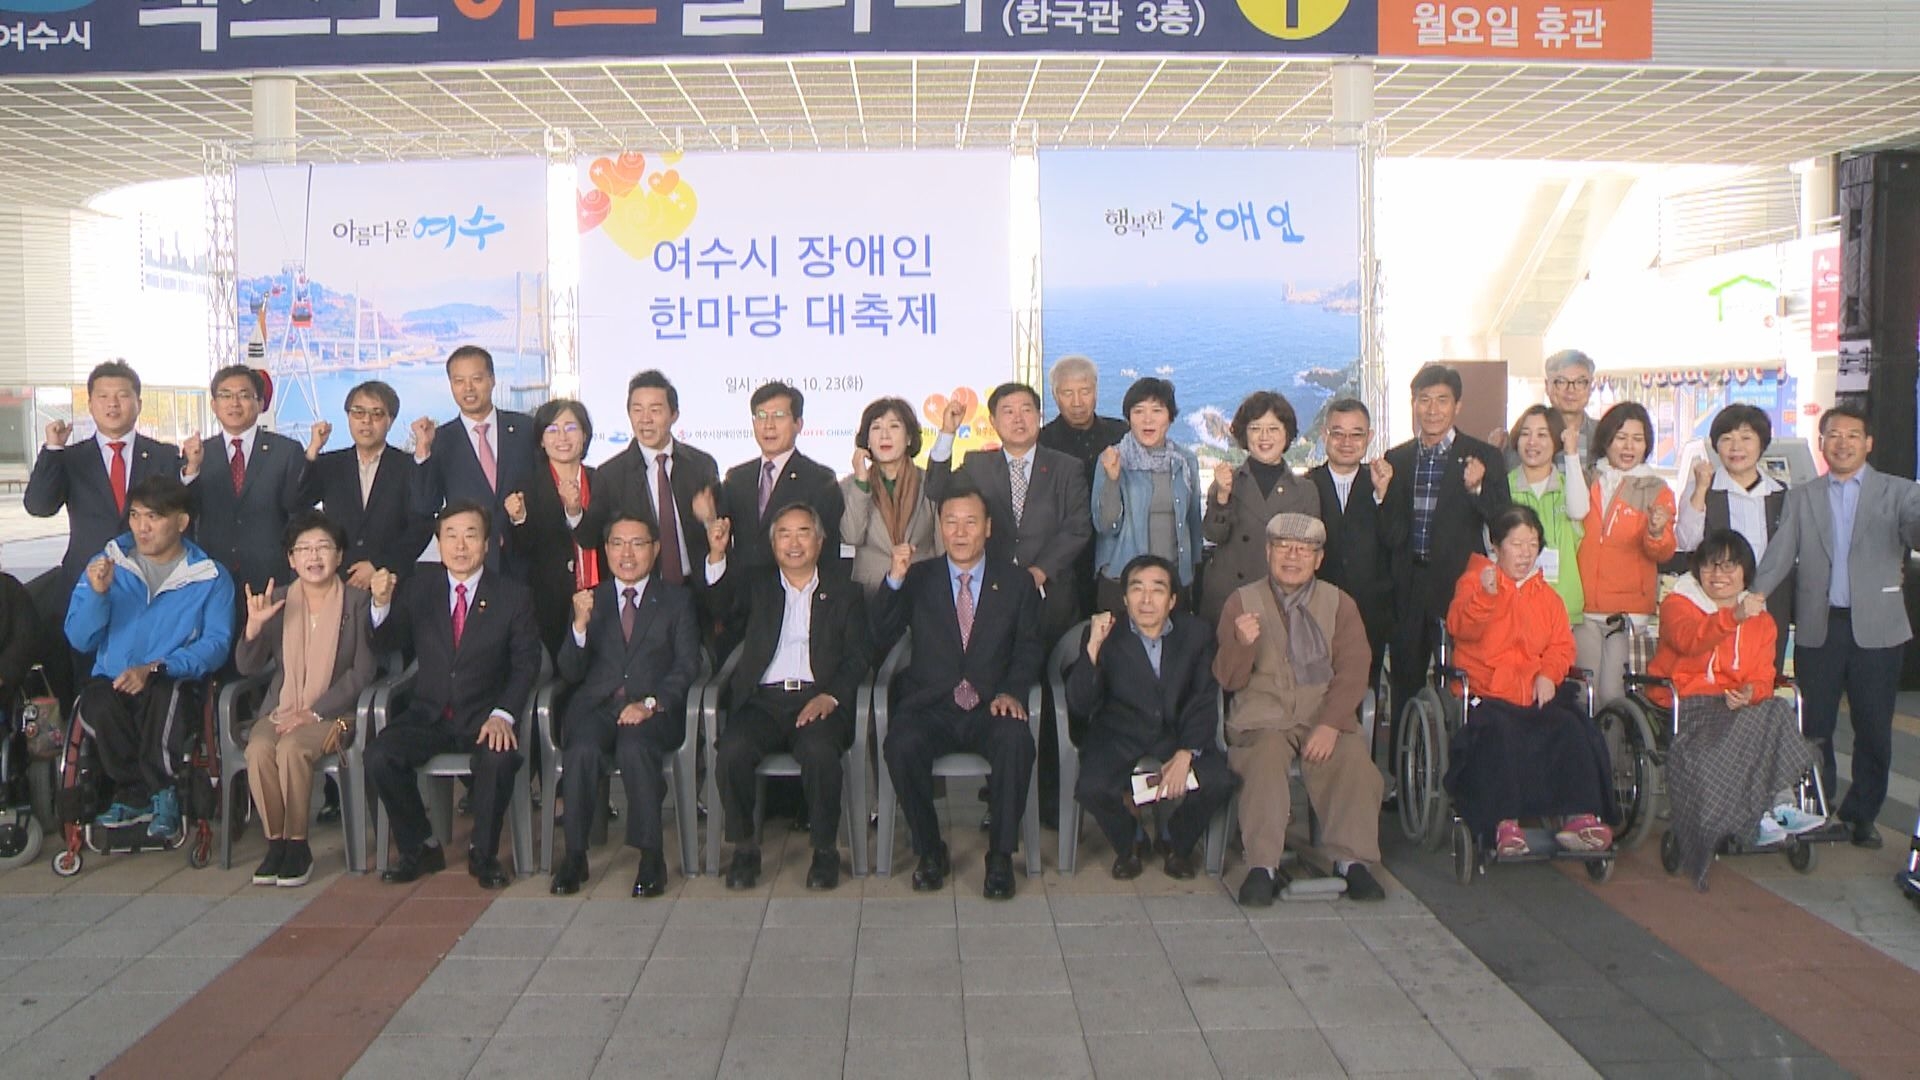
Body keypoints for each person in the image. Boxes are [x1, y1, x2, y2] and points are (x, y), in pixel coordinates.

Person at [1754, 405, 1920, 849]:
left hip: (1879, 630)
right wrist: (1753, 594)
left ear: (1868, 443)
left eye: (1852, 435)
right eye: (1833, 435)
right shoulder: (1803, 495)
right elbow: (1780, 551)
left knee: (1873, 727)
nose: (1842, 442)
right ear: (1822, 442)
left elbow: (1915, 530)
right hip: (1818, 625)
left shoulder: (1899, 492)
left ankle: (1862, 814)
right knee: (1815, 723)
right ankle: (1816, 808)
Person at [874, 486, 1043, 900]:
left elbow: (1029, 647)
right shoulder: (919, 577)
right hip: (932, 704)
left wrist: (1013, 692)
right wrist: (893, 579)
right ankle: (930, 850)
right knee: (900, 744)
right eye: (951, 522)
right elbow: (879, 635)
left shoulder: (1017, 581)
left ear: (988, 528)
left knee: (1015, 740)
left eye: (970, 522)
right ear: (940, 528)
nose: (960, 532)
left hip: (990, 702)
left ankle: (1000, 857)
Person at [366, 501, 541, 889]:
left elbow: (527, 664)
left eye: (470, 535)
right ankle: (420, 845)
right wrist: (380, 604)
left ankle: (484, 853)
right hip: (429, 713)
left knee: (497, 758)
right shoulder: (420, 588)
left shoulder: (513, 596)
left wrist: (504, 713)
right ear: (439, 543)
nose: (460, 546)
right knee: (379, 755)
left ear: (488, 543)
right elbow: (388, 642)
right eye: (451, 536)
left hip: (484, 714)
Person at [1213, 513, 1385, 906]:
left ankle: (1351, 860)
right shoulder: (1241, 602)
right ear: (1267, 552)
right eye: (1283, 548)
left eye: (1304, 550)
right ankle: (1262, 865)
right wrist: (1240, 644)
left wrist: (1330, 724)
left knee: (1352, 759)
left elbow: (1355, 670)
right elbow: (1227, 679)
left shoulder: (1340, 604)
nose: (1292, 557)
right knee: (1265, 759)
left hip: (1321, 712)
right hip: (1262, 717)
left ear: (1318, 558)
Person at [705, 504, 870, 891]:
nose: (793, 543)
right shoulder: (756, 586)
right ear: (772, 542)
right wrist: (716, 555)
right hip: (763, 700)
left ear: (819, 539)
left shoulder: (845, 592)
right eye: (784, 534)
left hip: (818, 698)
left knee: (819, 754)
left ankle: (825, 851)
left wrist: (832, 696)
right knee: (732, 751)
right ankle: (745, 848)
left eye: (802, 533)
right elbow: (720, 610)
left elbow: (859, 654)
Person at [64, 476, 235, 842]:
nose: (142, 527)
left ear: (181, 522)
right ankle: (139, 792)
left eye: (154, 517)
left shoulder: (209, 576)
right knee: (95, 702)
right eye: (136, 515)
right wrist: (97, 595)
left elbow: (217, 644)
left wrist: (157, 666)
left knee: (165, 695)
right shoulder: (107, 564)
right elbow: (79, 639)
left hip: (171, 676)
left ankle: (161, 791)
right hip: (113, 676)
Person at [1650, 530, 1822, 888]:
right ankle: (1756, 812)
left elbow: (1764, 675)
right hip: (1692, 699)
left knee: (1774, 709)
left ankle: (1782, 805)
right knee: (1750, 726)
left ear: (1745, 573)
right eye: (1711, 567)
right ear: (1697, 570)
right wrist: (1733, 617)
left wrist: (1750, 692)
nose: (1719, 576)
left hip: (1737, 704)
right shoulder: (1679, 604)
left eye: (1730, 567)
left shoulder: (1762, 619)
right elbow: (1690, 640)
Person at [1444, 505, 1616, 860]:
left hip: (1536, 689)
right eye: (1516, 543)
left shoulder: (1548, 597)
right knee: (1499, 734)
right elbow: (1461, 628)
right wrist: (1486, 597)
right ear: (1496, 546)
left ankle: (1581, 817)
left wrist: (1548, 675)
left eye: (1532, 544)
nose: (1525, 553)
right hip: (1489, 689)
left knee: (1572, 727)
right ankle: (1503, 823)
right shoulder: (1474, 582)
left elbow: (1560, 646)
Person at [549, 514, 701, 897]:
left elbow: (687, 666)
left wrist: (651, 704)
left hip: (653, 710)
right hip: (598, 707)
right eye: (617, 544)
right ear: (606, 550)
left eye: (637, 543)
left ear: (656, 549)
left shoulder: (676, 600)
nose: (627, 553)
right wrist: (579, 627)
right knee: (581, 749)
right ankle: (575, 856)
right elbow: (569, 670)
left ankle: (651, 857)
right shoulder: (590, 598)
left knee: (635, 747)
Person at [1067, 554, 1238, 881]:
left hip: (1176, 730)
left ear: (1172, 599)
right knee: (1091, 787)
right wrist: (1092, 650)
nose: (1146, 600)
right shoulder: (1105, 632)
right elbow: (1078, 702)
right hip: (1118, 731)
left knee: (1219, 781)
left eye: (1157, 590)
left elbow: (1204, 697)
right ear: (1124, 598)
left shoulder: (1197, 633)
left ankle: (1176, 840)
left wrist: (1187, 751)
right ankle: (1129, 840)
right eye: (1136, 590)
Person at [234, 511, 376, 888]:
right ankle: (275, 842)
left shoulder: (357, 603)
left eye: (323, 548)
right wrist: (252, 629)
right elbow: (248, 667)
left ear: (340, 556)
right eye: (304, 550)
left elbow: (362, 674)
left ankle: (298, 845)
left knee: (291, 748)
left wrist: (313, 713)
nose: (314, 557)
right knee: (259, 749)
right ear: (291, 559)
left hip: (333, 715)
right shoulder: (277, 600)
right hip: (281, 709)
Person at [1382, 364, 1510, 737]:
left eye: (1442, 400)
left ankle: (1460, 764)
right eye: (1424, 400)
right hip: (1409, 586)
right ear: (1414, 405)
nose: (1432, 409)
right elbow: (1390, 533)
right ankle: (1405, 780)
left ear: (1458, 406)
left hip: (1459, 587)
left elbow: (1502, 518)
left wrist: (1476, 489)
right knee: (1406, 681)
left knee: (1461, 679)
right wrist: (1382, 494)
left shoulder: (1484, 456)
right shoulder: (1398, 459)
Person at [926, 381, 1090, 645]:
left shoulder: (1067, 468)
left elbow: (1077, 527)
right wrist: (947, 432)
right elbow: (936, 490)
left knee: (1054, 676)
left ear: (1039, 416)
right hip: (990, 594)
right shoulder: (978, 465)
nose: (1018, 419)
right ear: (993, 421)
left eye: (1026, 410)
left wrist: (1039, 571)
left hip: (1050, 594)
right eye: (1008, 411)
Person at [26, 360, 184, 593]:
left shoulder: (164, 455)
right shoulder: (71, 458)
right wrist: (52, 450)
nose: (112, 403)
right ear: (90, 404)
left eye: (122, 395)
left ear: (138, 404)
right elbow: (39, 506)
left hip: (150, 582)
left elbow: (182, 515)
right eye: (103, 396)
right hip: (85, 581)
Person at [574, 370, 721, 592]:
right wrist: (574, 511)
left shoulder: (701, 465)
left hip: (697, 591)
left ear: (674, 415)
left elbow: (721, 534)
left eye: (655, 410)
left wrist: (709, 520)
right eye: (637, 410)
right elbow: (590, 538)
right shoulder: (610, 474)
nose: (645, 419)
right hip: (641, 597)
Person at [1575, 401, 1676, 706]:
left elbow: (1662, 551)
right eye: (1621, 437)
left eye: (1638, 438)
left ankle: (1613, 756)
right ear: (1605, 439)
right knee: (1583, 694)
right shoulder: (1584, 479)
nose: (1629, 446)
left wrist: (1657, 532)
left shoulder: (1655, 488)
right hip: (1583, 607)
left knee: (1613, 695)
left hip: (1626, 612)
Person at [409, 346, 538, 579]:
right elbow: (425, 505)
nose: (468, 388)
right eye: (458, 381)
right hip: (472, 567)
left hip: (526, 559)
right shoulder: (439, 439)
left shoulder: (525, 428)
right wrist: (423, 451)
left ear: (492, 379)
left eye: (476, 379)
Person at [182, 365, 312, 596]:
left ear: (261, 403)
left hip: (272, 578)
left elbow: (298, 516)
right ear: (214, 405)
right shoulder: (199, 453)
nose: (234, 403)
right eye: (225, 395)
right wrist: (192, 469)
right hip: (213, 577)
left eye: (244, 395)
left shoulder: (286, 451)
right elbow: (187, 516)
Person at [1675, 404, 1789, 662]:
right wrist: (1701, 489)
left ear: (1762, 444)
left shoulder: (1781, 493)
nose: (1736, 447)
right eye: (1727, 439)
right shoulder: (1704, 487)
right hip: (1716, 605)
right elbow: (1687, 541)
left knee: (1763, 673)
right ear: (1716, 447)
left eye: (1746, 438)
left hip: (1768, 604)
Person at [1199, 391, 1320, 627]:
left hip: (1282, 600)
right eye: (1256, 428)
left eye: (1273, 429)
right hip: (1229, 598)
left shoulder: (1306, 490)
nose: (1264, 437)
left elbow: (1310, 554)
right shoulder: (1227, 480)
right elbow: (1213, 535)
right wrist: (1222, 496)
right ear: (1245, 433)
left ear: (1287, 434)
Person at [298, 381, 431, 588]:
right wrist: (313, 450)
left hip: (393, 583)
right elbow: (297, 502)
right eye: (358, 413)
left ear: (391, 420)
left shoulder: (407, 467)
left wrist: (379, 565)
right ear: (348, 417)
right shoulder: (330, 464)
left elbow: (421, 527)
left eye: (377, 414)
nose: (366, 421)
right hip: (337, 582)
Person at [1092, 377, 1204, 616]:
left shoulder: (1185, 461)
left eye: (1157, 410)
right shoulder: (1112, 458)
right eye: (1138, 411)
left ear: (1170, 417)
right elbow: (1105, 526)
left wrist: (1190, 574)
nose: (1147, 419)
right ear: (1129, 418)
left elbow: (1193, 520)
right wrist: (1112, 480)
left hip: (1173, 581)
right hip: (1124, 581)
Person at [1306, 399, 1395, 680]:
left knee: (1365, 689)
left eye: (1356, 434)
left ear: (1369, 437)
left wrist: (1384, 497)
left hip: (1370, 611)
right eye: (1337, 433)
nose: (1346, 442)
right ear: (1325, 435)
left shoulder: (1384, 482)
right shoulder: (1307, 485)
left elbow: (1396, 540)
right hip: (1315, 611)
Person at [719, 382, 844, 577]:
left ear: (798, 424)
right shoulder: (736, 479)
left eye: (778, 416)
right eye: (761, 416)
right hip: (741, 599)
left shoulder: (820, 480)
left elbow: (827, 553)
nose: (768, 425)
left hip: (794, 596)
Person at [507, 398, 600, 657]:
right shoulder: (527, 484)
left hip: (601, 594)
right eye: (552, 429)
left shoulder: (602, 479)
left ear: (584, 435)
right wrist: (519, 519)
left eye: (571, 428)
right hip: (549, 600)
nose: (562, 437)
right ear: (541, 440)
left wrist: (575, 512)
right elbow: (522, 549)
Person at [1038, 355, 1127, 618]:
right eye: (1068, 393)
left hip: (1114, 553)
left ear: (1096, 391)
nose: (1077, 402)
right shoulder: (1043, 441)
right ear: (1055, 395)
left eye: (1085, 391)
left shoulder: (1120, 434)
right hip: (1064, 559)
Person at [841, 396, 942, 597]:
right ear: (867, 440)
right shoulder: (850, 487)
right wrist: (861, 483)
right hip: (870, 594)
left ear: (910, 437)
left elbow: (942, 547)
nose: (884, 435)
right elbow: (852, 536)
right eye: (876, 428)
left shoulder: (930, 484)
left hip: (923, 591)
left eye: (894, 427)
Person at [1506, 405, 1589, 627]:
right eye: (1525, 433)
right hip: (1515, 607)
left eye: (1542, 435)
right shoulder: (1504, 488)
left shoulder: (1569, 486)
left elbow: (1579, 510)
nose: (1532, 442)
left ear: (1556, 442)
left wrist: (1572, 454)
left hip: (1562, 608)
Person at [1495, 349, 1598, 467]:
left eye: (1580, 382)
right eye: (1561, 382)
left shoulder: (1607, 434)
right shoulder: (1523, 437)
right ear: (1547, 386)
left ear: (1591, 387)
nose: (1570, 390)